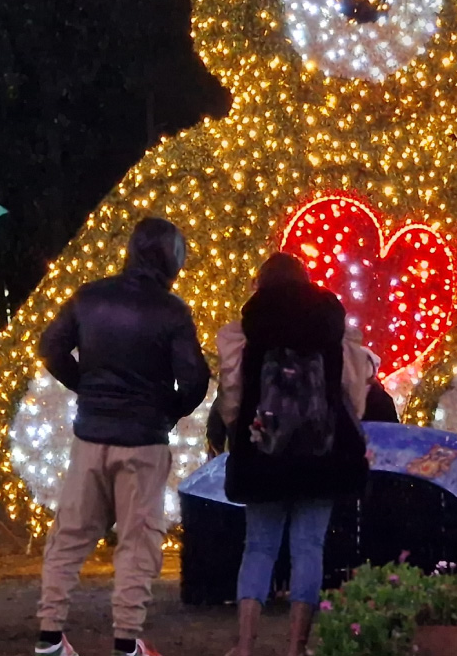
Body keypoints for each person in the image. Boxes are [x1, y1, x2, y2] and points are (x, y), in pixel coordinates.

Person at [33, 218, 211, 656]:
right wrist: (168, 409)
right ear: (171, 258)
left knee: (70, 535)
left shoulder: (89, 297)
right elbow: (194, 379)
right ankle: (127, 641)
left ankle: (50, 636)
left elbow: (50, 345)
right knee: (138, 541)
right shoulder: (171, 311)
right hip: (144, 442)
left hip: (91, 434)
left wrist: (86, 387)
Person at [221, 253, 371, 656]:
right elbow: (353, 387)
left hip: (263, 450)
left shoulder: (248, 326)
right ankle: (295, 647)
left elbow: (232, 391)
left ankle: (246, 646)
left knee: (259, 546)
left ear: (261, 282)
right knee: (309, 547)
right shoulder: (330, 322)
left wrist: (237, 428)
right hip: (321, 452)